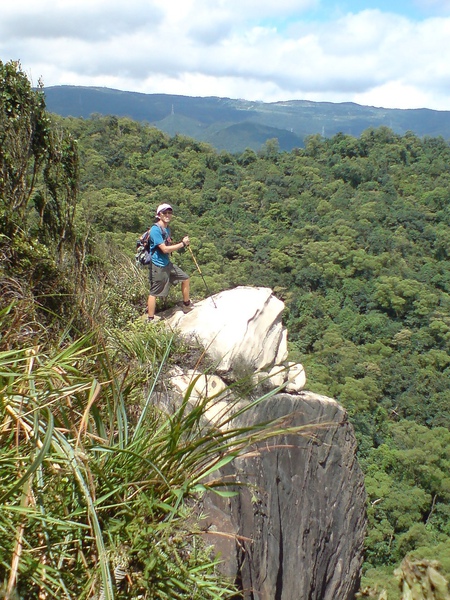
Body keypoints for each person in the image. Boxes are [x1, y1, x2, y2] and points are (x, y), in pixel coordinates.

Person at [145, 203, 193, 321]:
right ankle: (150, 319)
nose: (167, 215)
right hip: (158, 265)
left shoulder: (166, 229)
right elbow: (165, 249)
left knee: (185, 278)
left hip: (167, 263)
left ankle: (186, 304)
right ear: (159, 215)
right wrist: (182, 244)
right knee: (154, 292)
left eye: (169, 213)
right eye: (164, 213)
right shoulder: (156, 230)